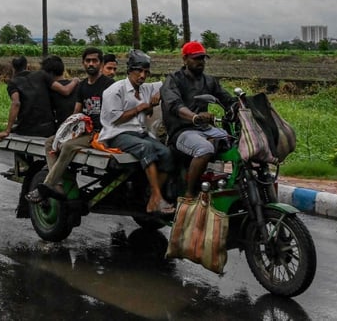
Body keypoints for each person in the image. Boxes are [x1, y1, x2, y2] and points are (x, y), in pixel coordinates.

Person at [30, 47, 115, 201]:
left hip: (99, 132)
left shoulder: (109, 85)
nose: (91, 64)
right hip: (84, 130)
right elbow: (76, 112)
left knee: (68, 146)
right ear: (83, 63)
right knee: (51, 142)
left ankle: (47, 186)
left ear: (101, 64)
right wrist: (65, 132)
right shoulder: (82, 86)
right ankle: (59, 185)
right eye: (88, 61)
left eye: (94, 61)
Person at [99, 49, 175, 215]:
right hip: (117, 135)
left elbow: (171, 80)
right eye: (138, 71)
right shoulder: (115, 90)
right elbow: (115, 119)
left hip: (139, 134)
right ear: (129, 70)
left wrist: (160, 93)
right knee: (146, 148)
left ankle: (151, 196)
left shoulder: (146, 88)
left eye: (146, 72)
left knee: (167, 153)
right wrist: (140, 107)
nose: (142, 75)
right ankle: (156, 197)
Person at [160, 41, 236, 198]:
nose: (200, 62)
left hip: (204, 129)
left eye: (202, 58)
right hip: (181, 131)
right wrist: (194, 117)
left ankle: (236, 185)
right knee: (204, 148)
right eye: (196, 58)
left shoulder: (209, 81)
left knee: (237, 144)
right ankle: (189, 193)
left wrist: (244, 106)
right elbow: (175, 105)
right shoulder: (174, 79)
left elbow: (227, 99)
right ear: (185, 59)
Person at [0, 55, 77, 141]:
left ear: (13, 68)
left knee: (17, 131)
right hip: (48, 129)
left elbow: (16, 103)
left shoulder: (13, 83)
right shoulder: (41, 75)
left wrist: (7, 130)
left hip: (26, 129)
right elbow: (65, 91)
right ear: (27, 66)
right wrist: (75, 80)